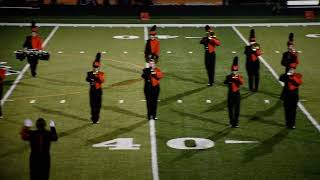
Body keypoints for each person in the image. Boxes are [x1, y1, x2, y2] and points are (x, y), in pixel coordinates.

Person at [224, 56, 244, 128]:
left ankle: (236, 123)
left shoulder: (239, 76)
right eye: (233, 71)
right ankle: (231, 122)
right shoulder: (228, 76)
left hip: (237, 94)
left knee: (237, 109)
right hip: (230, 94)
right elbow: (225, 82)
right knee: (230, 109)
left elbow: (241, 82)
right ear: (231, 70)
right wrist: (230, 78)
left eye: (235, 71)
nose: (234, 72)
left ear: (237, 71)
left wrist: (237, 77)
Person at [86, 53, 105, 124]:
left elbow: (102, 81)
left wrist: (96, 77)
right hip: (92, 91)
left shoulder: (101, 73)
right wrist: (91, 78)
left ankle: (96, 118)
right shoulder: (89, 73)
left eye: (97, 68)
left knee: (98, 105)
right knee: (92, 105)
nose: (95, 69)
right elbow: (87, 79)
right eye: (94, 67)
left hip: (98, 91)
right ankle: (93, 118)